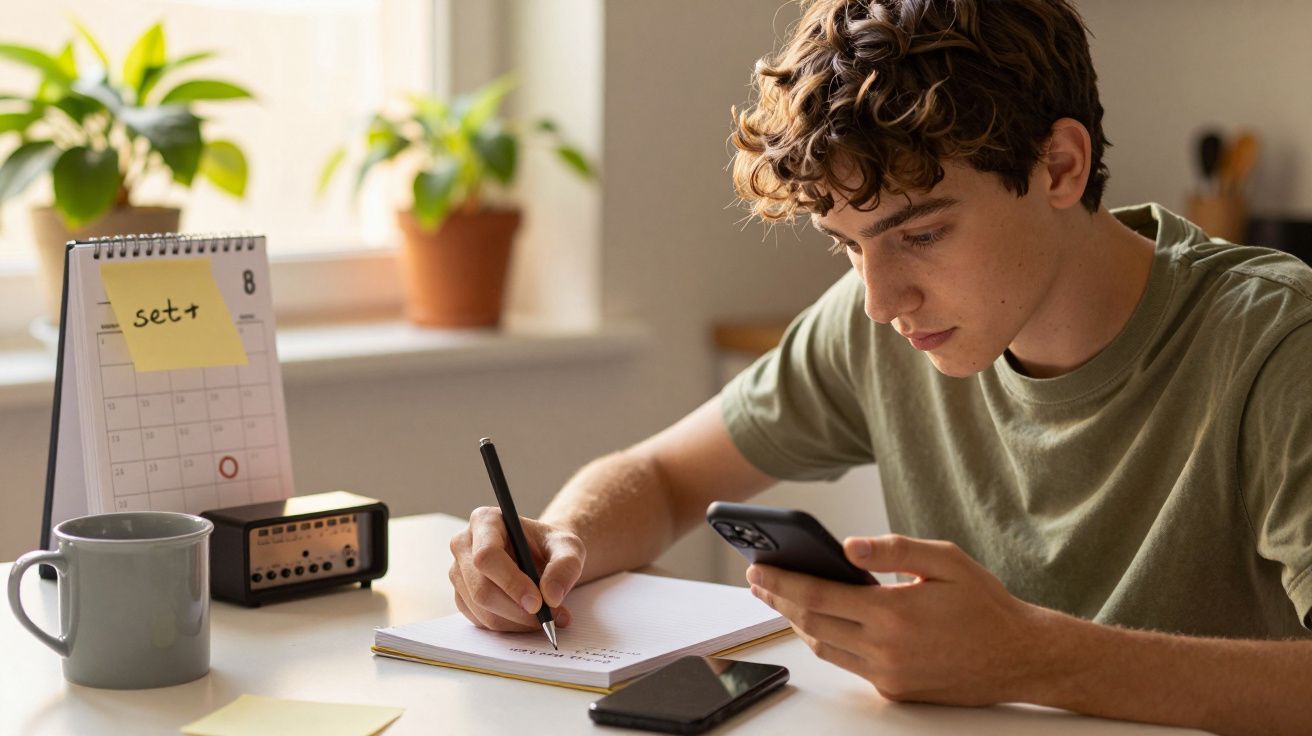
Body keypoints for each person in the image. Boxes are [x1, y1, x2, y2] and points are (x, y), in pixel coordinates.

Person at [448, 1, 1312, 733]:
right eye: (847, 246)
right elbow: (666, 478)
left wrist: (1030, 658)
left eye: (922, 234)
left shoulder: (1277, 344)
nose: (879, 300)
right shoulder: (878, 328)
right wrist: (558, 541)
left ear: (1060, 166)